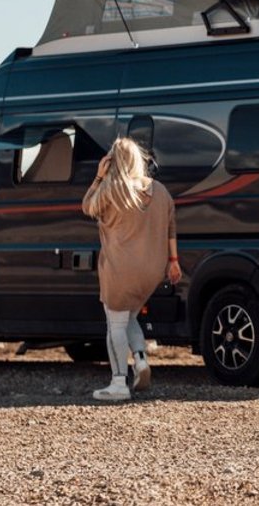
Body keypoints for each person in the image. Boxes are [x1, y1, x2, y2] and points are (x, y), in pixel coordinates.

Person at [81, 138, 181, 402]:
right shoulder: (160, 190)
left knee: (114, 322)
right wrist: (174, 261)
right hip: (152, 270)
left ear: (113, 161)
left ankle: (118, 383)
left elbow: (87, 206)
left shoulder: (112, 189)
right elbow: (171, 226)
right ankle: (140, 360)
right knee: (130, 317)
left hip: (120, 268)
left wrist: (98, 176)